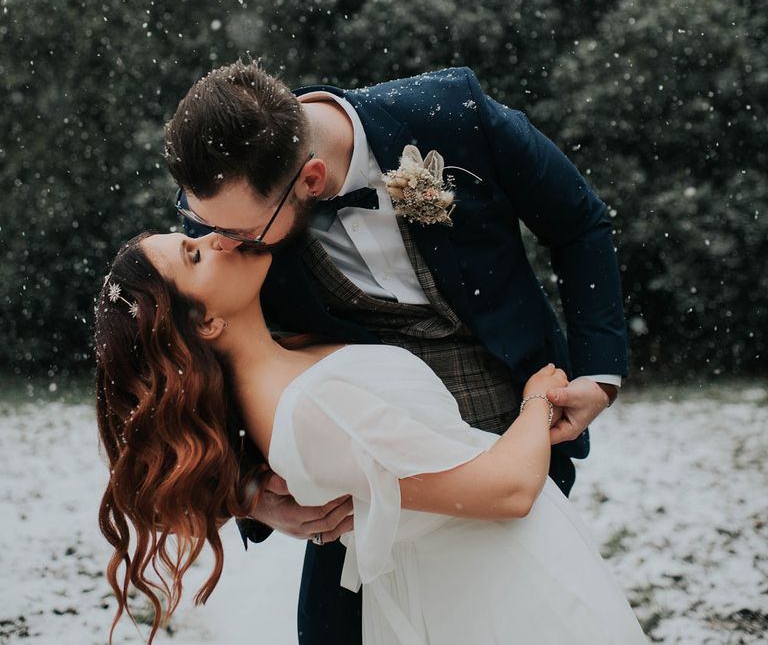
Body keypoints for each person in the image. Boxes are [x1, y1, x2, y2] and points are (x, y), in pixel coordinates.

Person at [162, 61, 628, 643]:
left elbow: (578, 221)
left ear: (311, 179)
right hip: (360, 494)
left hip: (522, 438)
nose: (220, 243)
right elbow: (197, 363)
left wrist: (599, 371)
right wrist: (251, 493)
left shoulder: (454, 114)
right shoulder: (229, 215)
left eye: (244, 236)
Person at [95, 231, 647, 644]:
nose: (214, 236)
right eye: (194, 254)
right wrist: (535, 400)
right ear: (207, 323)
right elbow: (507, 492)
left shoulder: (294, 354)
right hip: (487, 584)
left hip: (494, 564)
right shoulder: (309, 405)